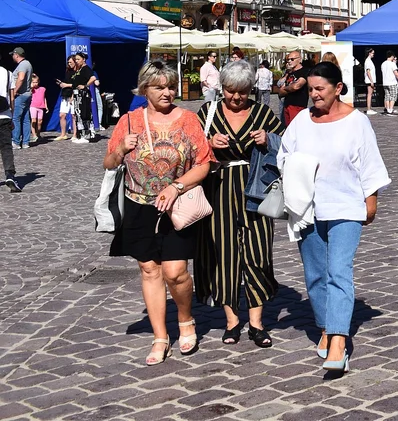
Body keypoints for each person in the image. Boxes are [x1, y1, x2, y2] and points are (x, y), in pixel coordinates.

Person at [280, 61, 390, 373]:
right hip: (308, 209)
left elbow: (369, 162)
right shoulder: (301, 121)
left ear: (338, 88)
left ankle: (339, 339)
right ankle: (327, 325)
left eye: (319, 89)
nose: (313, 95)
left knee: (338, 270)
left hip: (346, 206)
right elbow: (284, 155)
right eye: (311, 89)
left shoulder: (356, 122)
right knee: (315, 274)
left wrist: (371, 200)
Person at [104, 61, 213, 365]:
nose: (167, 92)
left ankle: (186, 319)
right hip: (139, 207)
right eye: (159, 87)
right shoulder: (128, 121)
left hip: (176, 205)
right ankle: (160, 337)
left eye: (170, 86)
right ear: (144, 89)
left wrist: (177, 186)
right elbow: (109, 164)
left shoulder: (188, 120)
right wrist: (121, 150)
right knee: (150, 271)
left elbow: (204, 163)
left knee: (175, 272)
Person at [196, 61, 284, 348]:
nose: (236, 98)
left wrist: (268, 139)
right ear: (222, 88)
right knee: (224, 253)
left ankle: (256, 323)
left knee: (258, 252)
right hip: (219, 188)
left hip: (255, 188)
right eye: (231, 91)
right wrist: (210, 143)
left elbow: (285, 147)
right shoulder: (207, 113)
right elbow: (192, 151)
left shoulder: (262, 113)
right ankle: (232, 321)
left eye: (242, 92)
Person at [69, 53, 98, 144]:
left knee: (84, 114)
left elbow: (93, 78)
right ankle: (80, 134)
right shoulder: (79, 69)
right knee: (78, 114)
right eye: (76, 60)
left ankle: (86, 135)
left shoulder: (86, 69)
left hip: (83, 95)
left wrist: (85, 86)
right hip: (77, 95)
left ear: (83, 59)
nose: (76, 61)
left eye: (78, 59)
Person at [278, 51, 310, 126]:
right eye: (288, 59)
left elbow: (296, 86)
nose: (289, 61)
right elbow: (280, 92)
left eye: (292, 59)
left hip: (298, 105)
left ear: (299, 60)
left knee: (296, 128)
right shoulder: (289, 73)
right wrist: (288, 88)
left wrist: (286, 88)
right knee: (288, 129)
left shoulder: (305, 71)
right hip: (287, 105)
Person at [10, 47, 33, 150]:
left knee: (16, 118)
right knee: (25, 119)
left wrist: (14, 92)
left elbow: (21, 78)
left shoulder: (23, 65)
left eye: (13, 55)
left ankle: (16, 141)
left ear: (16, 55)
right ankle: (26, 142)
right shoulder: (27, 63)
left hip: (21, 94)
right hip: (27, 94)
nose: (12, 57)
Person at [0, 63, 18, 192]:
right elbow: (12, 97)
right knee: (6, 147)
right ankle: (9, 175)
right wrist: (11, 115)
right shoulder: (8, 73)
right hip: (4, 114)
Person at [56, 56, 78, 140]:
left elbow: (76, 85)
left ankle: (75, 134)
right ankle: (63, 134)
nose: (69, 64)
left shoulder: (77, 72)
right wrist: (62, 84)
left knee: (73, 115)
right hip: (65, 94)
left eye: (71, 62)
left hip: (73, 95)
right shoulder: (68, 71)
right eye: (68, 62)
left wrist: (72, 95)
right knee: (62, 115)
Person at [28, 74, 47, 144]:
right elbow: (29, 91)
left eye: (36, 82)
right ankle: (34, 135)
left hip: (41, 107)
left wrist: (46, 106)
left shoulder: (42, 89)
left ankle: (38, 134)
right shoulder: (31, 90)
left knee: (40, 121)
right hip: (33, 106)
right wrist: (31, 86)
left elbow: (44, 98)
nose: (35, 84)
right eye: (33, 82)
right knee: (33, 120)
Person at [363, 48, 377, 115]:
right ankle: (368, 109)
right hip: (369, 80)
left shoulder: (369, 61)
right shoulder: (368, 61)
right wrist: (371, 81)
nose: (373, 54)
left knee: (370, 94)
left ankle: (369, 108)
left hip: (370, 80)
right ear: (369, 53)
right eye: (372, 53)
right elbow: (368, 71)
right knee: (369, 94)